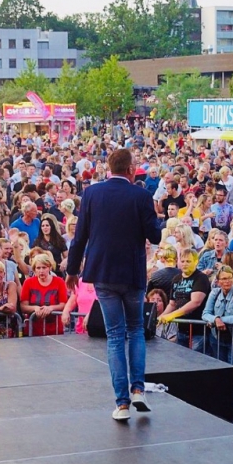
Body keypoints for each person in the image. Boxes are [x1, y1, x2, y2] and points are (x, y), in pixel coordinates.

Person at [66, 148, 161, 421]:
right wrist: (154, 217)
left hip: (104, 274)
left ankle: (121, 404)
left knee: (116, 336)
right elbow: (154, 237)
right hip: (132, 275)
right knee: (136, 331)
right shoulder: (142, 196)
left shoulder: (92, 194)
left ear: (110, 167)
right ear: (131, 169)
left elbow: (79, 236)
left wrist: (72, 270)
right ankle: (138, 390)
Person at [201, 265, 233, 419]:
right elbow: (205, 313)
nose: (226, 281)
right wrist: (215, 319)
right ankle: (221, 411)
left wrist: (220, 320)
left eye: (229, 278)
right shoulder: (214, 293)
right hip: (218, 339)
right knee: (221, 375)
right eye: (223, 278)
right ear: (218, 281)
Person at [159, 248, 211, 353]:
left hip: (198, 331)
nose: (185, 264)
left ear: (196, 262)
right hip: (181, 330)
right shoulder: (176, 279)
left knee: (197, 362)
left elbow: (195, 302)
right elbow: (172, 304)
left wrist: (172, 315)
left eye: (188, 261)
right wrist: (161, 317)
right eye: (182, 261)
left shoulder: (201, 278)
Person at [21, 254, 68, 336]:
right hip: (33, 329)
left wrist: (51, 308)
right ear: (34, 269)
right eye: (38, 268)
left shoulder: (59, 282)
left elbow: (63, 304)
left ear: (49, 267)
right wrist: (35, 308)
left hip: (55, 329)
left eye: (44, 267)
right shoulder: (28, 282)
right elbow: (23, 306)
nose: (41, 271)